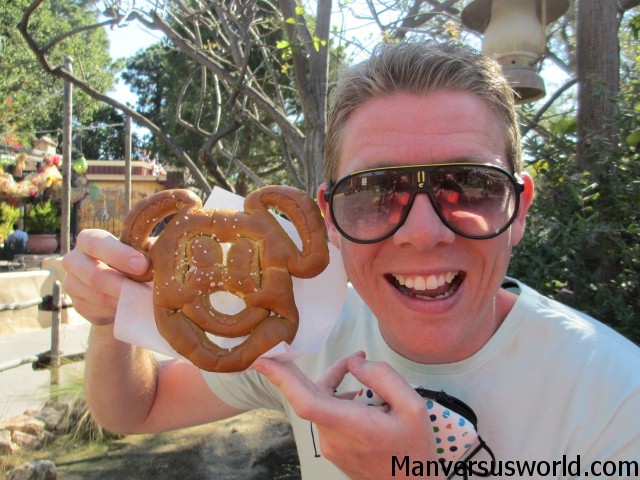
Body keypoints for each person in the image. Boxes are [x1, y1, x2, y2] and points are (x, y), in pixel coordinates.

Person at [62, 41, 640, 479]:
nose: (421, 233)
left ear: (518, 210)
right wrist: (115, 321)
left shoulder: (618, 401)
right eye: (375, 194)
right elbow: (135, 411)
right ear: (327, 219)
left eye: (468, 185)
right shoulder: (307, 337)